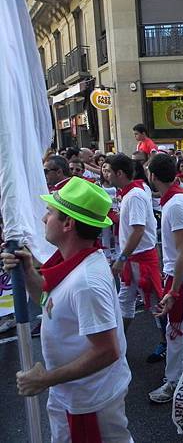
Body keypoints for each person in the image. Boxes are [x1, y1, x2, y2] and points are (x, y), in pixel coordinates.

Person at [1, 177, 132, 442]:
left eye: (50, 213)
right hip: (72, 395)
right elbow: (49, 303)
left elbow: (107, 351)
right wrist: (27, 272)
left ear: (68, 224)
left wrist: (45, 379)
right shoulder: (74, 263)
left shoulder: (86, 281)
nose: (43, 219)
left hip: (90, 402)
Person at [146, 154, 183, 403]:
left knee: (177, 330)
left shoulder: (176, 203)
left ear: (153, 176)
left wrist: (174, 290)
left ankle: (177, 383)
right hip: (179, 275)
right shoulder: (174, 200)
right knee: (178, 329)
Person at [105, 154, 162, 332]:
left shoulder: (135, 195)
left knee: (155, 303)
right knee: (125, 301)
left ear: (120, 173)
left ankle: (168, 343)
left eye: (109, 171)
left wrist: (122, 258)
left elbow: (138, 230)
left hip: (141, 259)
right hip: (132, 259)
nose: (105, 174)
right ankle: (118, 344)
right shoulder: (130, 193)